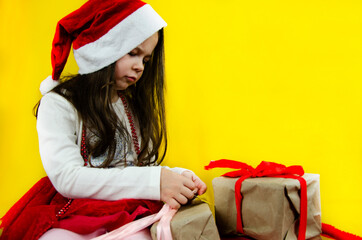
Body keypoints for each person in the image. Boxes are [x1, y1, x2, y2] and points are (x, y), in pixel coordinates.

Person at [0, 0, 206, 239]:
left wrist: (175, 176)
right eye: (133, 53)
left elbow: (139, 167)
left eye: (146, 60)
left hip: (125, 210)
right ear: (103, 47)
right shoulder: (58, 104)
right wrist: (155, 180)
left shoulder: (130, 106)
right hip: (70, 210)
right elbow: (68, 178)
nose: (140, 67)